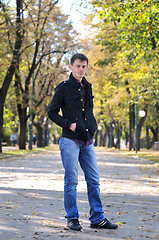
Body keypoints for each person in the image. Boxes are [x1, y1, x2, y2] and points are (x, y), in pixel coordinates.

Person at [48, 53, 118, 231]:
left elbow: (88, 111)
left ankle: (97, 217)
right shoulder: (63, 88)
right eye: (78, 66)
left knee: (94, 180)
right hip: (70, 141)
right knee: (71, 181)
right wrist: (68, 124)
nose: (81, 69)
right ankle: (72, 218)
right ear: (71, 66)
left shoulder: (89, 87)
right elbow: (52, 112)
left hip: (87, 142)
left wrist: (93, 125)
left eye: (84, 66)